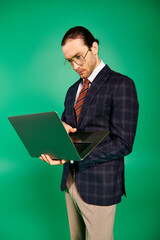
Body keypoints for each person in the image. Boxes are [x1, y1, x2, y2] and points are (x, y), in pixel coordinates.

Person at [39, 26, 139, 240]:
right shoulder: (71, 91)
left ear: (94, 47)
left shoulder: (121, 84)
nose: (76, 66)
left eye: (79, 57)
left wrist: (74, 153)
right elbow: (71, 130)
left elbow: (123, 142)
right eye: (69, 61)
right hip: (70, 181)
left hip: (99, 184)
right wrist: (56, 139)